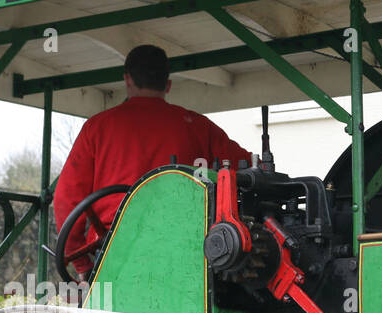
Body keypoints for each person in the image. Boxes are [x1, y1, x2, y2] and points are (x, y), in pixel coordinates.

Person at [54, 44, 252, 272]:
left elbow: (66, 199)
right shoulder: (199, 127)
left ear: (128, 80)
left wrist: (81, 263)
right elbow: (248, 170)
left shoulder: (97, 128)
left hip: (114, 254)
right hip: (185, 254)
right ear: (167, 84)